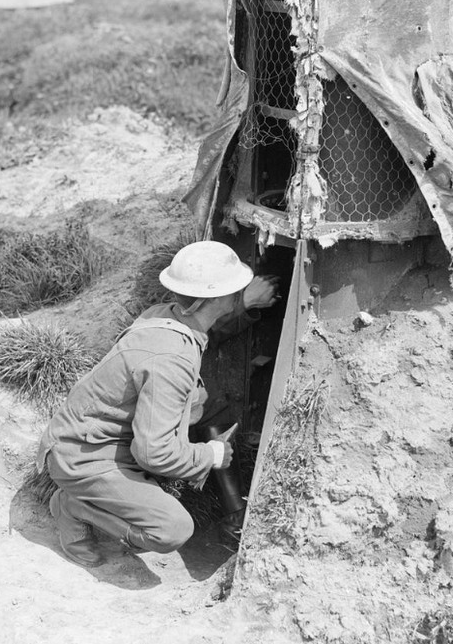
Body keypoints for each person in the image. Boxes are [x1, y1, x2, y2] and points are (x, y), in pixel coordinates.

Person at [35, 240, 278, 567]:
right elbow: (153, 452)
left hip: (100, 437)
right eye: (236, 288)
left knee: (205, 403)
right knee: (171, 529)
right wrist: (210, 455)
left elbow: (205, 332)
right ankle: (73, 506)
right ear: (215, 298)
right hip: (82, 456)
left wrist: (245, 304)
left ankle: (231, 514)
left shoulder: (166, 317)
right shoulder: (170, 361)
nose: (242, 289)